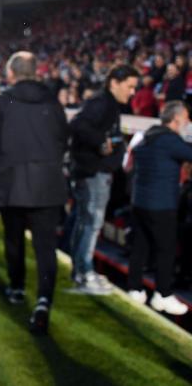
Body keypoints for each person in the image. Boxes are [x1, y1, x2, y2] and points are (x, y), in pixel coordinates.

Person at [0, 51, 69, 335]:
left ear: (11, 74)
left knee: (14, 239)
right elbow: (62, 140)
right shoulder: (53, 103)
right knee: (45, 247)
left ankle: (16, 287)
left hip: (12, 182)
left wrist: (5, 163)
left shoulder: (2, 102)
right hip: (48, 184)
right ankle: (43, 300)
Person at [68, 64, 139, 293]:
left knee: (85, 220)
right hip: (93, 173)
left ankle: (79, 269)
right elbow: (78, 125)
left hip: (91, 172)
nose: (132, 92)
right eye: (129, 86)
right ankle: (84, 272)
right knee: (92, 222)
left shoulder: (106, 103)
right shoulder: (103, 103)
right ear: (114, 83)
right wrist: (101, 142)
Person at [127, 101, 192, 315]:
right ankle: (162, 294)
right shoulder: (170, 140)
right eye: (185, 119)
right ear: (176, 120)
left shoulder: (147, 136)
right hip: (161, 204)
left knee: (141, 246)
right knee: (166, 249)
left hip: (140, 202)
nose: (187, 123)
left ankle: (135, 288)